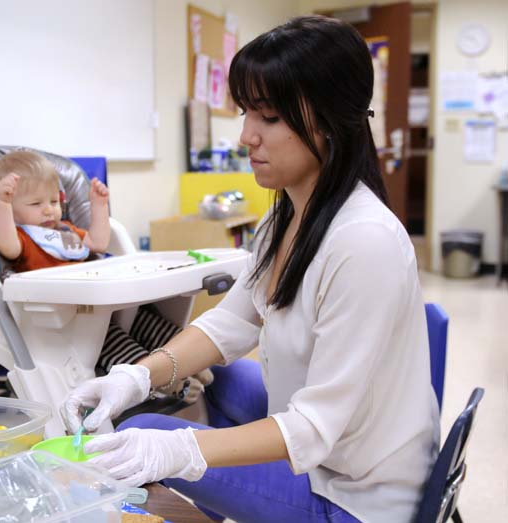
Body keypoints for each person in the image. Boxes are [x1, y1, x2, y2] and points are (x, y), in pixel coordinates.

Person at [62, 15, 440, 523]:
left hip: (357, 495)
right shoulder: (287, 215)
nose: (245, 136)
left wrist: (179, 452)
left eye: (269, 117)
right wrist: (133, 376)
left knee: (157, 430)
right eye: (245, 113)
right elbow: (232, 322)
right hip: (341, 445)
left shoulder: (363, 241)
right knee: (219, 378)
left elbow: (313, 425)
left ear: (329, 119)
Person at [0, 151, 211, 402]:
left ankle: (192, 359)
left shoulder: (65, 232)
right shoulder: (24, 239)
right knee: (112, 342)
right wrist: (3, 205)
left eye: (54, 201)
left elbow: (98, 242)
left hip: (96, 309)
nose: (49, 210)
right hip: (65, 324)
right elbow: (5, 244)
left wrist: (99, 206)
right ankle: (166, 382)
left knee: (145, 319)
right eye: (36, 204)